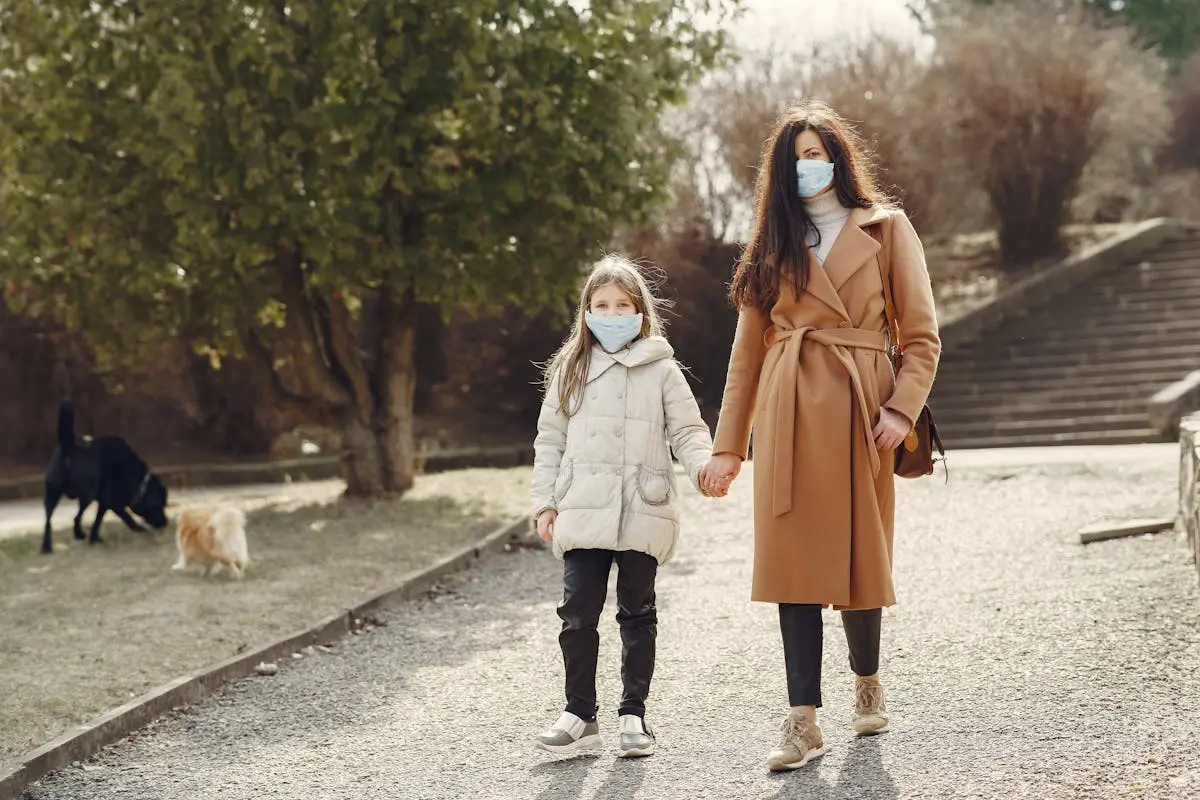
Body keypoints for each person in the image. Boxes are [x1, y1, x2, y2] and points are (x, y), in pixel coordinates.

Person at [699, 100, 940, 772]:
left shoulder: (887, 229)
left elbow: (921, 336)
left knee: (864, 553)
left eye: (816, 152)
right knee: (792, 561)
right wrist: (727, 446)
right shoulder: (770, 246)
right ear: (779, 172)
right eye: (794, 157)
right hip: (787, 410)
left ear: (838, 157)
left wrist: (901, 408)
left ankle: (867, 679)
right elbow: (746, 354)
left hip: (864, 411)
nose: (807, 166)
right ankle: (802, 720)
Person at [530, 254, 714, 759]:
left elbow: (688, 430)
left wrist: (703, 468)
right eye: (601, 305)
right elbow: (550, 441)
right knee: (577, 613)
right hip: (582, 508)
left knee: (637, 614)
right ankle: (579, 714)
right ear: (586, 312)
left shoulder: (662, 369)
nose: (612, 314)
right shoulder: (570, 369)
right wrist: (545, 502)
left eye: (622, 306)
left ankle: (634, 715)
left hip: (643, 506)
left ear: (640, 313)